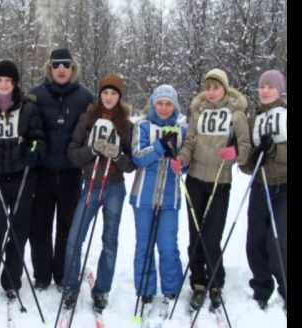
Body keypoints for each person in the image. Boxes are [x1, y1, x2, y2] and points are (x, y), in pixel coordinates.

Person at [173, 68, 251, 311]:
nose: (211, 92)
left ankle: (216, 282)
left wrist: (236, 153)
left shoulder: (236, 115)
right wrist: (182, 159)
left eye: (216, 87)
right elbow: (189, 142)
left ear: (224, 88)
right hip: (195, 179)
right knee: (195, 233)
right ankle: (198, 282)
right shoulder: (198, 112)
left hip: (220, 180)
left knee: (213, 235)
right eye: (208, 87)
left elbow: (246, 145)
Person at [62, 74, 134, 312]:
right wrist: (91, 150)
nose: (109, 97)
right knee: (75, 238)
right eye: (105, 92)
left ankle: (102, 290)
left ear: (119, 97)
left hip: (114, 187)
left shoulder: (126, 124)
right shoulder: (87, 118)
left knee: (110, 241)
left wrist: (117, 156)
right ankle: (71, 287)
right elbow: (73, 153)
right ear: (100, 94)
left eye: (114, 93)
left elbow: (132, 164)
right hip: (91, 184)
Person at [0, 60, 45, 300]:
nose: (3, 84)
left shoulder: (27, 108)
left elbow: (37, 136)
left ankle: (12, 279)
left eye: (8, 80)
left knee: (18, 229)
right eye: (0, 80)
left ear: (14, 84)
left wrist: (34, 149)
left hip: (22, 177)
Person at [29, 48, 93, 290]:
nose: (61, 69)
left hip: (70, 173)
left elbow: (93, 130)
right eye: (57, 65)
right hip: (43, 173)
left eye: (66, 65)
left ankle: (62, 273)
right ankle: (43, 274)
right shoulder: (36, 95)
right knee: (40, 227)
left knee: (67, 227)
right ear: (50, 68)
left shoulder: (85, 97)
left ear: (72, 68)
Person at [130, 84, 187, 307]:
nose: (164, 108)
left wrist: (181, 162)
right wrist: (160, 147)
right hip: (144, 196)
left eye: (168, 104)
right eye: (160, 103)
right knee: (144, 244)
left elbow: (186, 161)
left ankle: (171, 289)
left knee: (167, 245)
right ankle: (145, 289)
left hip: (170, 198)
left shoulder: (182, 128)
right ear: (153, 103)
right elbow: (138, 156)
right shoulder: (143, 125)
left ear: (175, 105)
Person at [240, 70, 287, 311]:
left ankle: (285, 286)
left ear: (279, 89)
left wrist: (274, 151)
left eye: (270, 86)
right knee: (255, 240)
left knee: (277, 241)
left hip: (283, 185)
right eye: (262, 86)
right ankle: (261, 286)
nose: (265, 90)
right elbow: (246, 165)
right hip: (261, 185)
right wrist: (253, 156)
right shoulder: (253, 120)